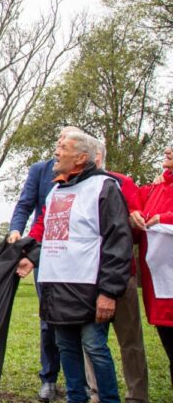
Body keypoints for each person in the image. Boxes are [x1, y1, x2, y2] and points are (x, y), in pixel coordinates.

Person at [17, 131, 133, 403]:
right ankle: (75, 399)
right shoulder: (56, 190)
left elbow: (118, 241)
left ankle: (108, 399)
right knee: (65, 347)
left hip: (89, 288)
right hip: (56, 287)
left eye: (63, 147)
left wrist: (109, 292)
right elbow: (46, 230)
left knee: (94, 347)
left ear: (81, 157)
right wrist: (30, 257)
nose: (56, 153)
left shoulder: (105, 187)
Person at [7, 125, 81, 402]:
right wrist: (17, 230)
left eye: (66, 140)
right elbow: (25, 204)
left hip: (77, 257)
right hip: (45, 254)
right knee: (48, 319)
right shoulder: (40, 170)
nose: (60, 143)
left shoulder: (84, 174)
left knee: (80, 321)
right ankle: (48, 378)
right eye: (59, 138)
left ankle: (80, 382)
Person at [82, 139, 148, 402]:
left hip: (122, 277)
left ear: (97, 156)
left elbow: (134, 224)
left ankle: (137, 395)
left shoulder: (122, 182)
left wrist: (135, 218)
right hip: (86, 277)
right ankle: (96, 393)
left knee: (130, 341)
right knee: (91, 343)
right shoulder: (75, 186)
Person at [131, 144, 173, 387]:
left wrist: (165, 219)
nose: (166, 151)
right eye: (166, 148)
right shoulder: (155, 188)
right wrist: (135, 216)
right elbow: (135, 205)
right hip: (162, 287)